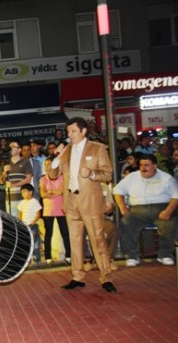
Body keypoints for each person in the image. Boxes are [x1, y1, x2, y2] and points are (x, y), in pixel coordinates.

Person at [49, 117, 116, 293]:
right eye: (68, 132)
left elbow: (108, 174)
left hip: (90, 201)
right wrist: (56, 158)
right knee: (75, 241)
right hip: (71, 201)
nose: (69, 135)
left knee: (98, 240)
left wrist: (93, 174)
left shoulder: (97, 148)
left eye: (73, 131)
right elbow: (52, 174)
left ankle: (106, 277)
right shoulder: (66, 150)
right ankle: (77, 276)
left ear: (83, 131)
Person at [113, 154, 178, 267]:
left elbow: (177, 196)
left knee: (171, 224)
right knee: (126, 223)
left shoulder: (166, 178)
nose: (143, 168)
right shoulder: (132, 177)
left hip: (162, 209)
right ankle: (132, 256)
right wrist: (122, 207)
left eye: (147, 165)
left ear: (155, 166)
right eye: (141, 165)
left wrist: (168, 211)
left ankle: (165, 254)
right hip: (137, 211)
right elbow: (117, 191)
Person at [39, 158, 71, 265]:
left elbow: (64, 191)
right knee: (48, 234)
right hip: (48, 210)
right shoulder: (43, 179)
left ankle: (69, 256)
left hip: (62, 209)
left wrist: (51, 192)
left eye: (50, 164)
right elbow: (43, 194)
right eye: (46, 164)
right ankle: (48, 257)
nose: (48, 166)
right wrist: (57, 193)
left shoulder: (62, 177)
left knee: (65, 233)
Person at [0, 141, 32, 217]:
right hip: (10, 199)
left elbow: (28, 179)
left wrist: (14, 185)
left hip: (23, 197)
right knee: (13, 223)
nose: (10, 148)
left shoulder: (25, 162)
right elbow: (1, 182)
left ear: (19, 150)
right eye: (10, 146)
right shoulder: (5, 163)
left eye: (13, 146)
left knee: (24, 221)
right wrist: (4, 172)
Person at [17, 184, 42, 264]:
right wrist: (21, 222)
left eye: (24, 191)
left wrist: (33, 222)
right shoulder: (22, 202)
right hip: (25, 226)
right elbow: (20, 213)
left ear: (31, 192)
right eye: (22, 192)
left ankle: (37, 258)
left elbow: (38, 214)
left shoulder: (34, 202)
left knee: (35, 242)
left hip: (33, 225)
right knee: (26, 243)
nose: (23, 194)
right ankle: (28, 259)